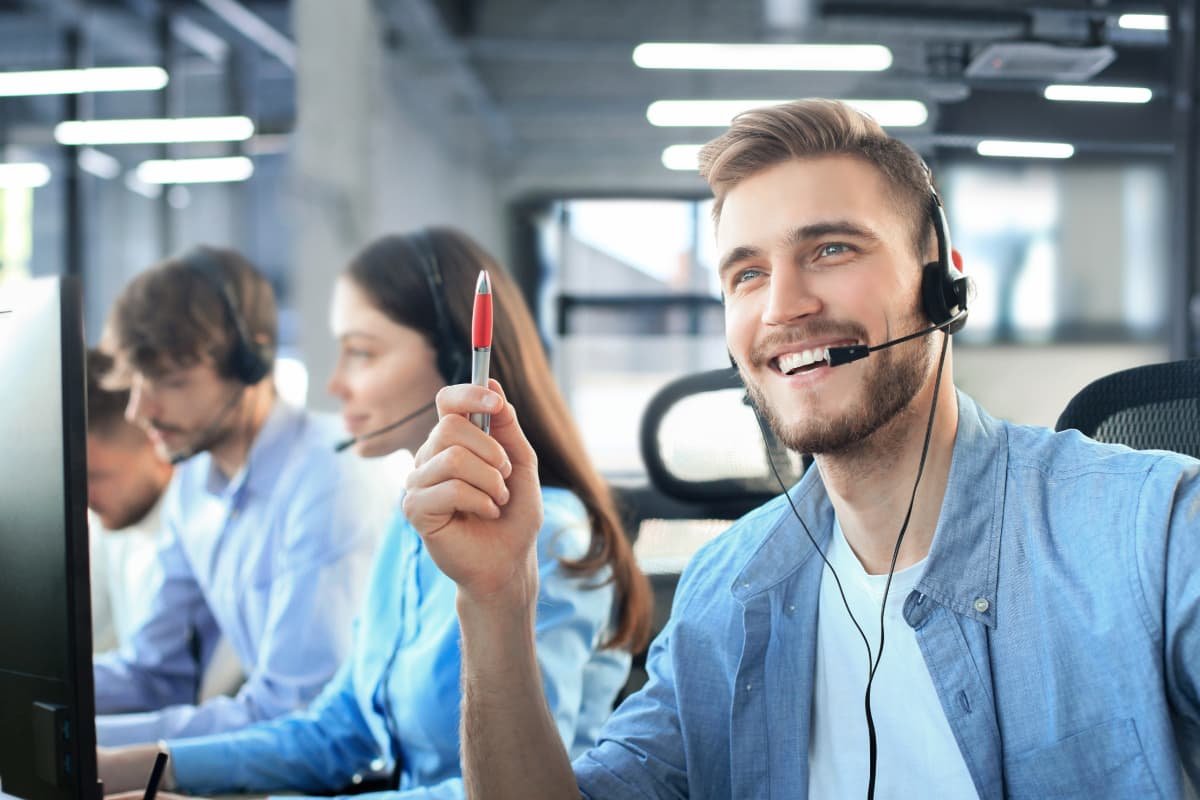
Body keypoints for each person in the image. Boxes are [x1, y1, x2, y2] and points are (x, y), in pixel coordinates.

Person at [403, 99, 1200, 799]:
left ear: (943, 284)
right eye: (747, 274)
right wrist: (497, 597)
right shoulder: (726, 596)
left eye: (830, 250)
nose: (783, 307)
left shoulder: (1151, 531)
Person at [99, 228, 652, 799]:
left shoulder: (543, 540)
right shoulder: (412, 524)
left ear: (458, 359)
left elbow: (519, 787)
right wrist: (145, 766)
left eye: (361, 353)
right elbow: (341, 731)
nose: (335, 384)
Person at [92, 246, 391, 747]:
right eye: (138, 382)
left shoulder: (327, 481)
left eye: (171, 381)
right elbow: (156, 673)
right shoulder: (193, 484)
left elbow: (291, 713)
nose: (140, 411)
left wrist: (80, 742)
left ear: (252, 361)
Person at [85, 347, 174, 654]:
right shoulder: (108, 525)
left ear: (156, 446)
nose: (86, 499)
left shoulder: (192, 536)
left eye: (96, 476)